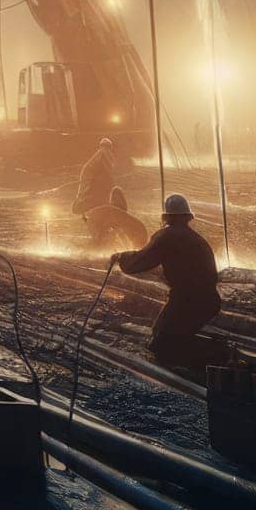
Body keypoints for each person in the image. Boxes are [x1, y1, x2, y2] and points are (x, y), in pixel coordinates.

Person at [112, 192, 221, 368]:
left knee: (161, 341)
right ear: (188, 216)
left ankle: (205, 366)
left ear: (166, 216)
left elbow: (141, 261)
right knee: (178, 336)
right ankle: (208, 363)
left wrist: (121, 257)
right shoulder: (196, 238)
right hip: (209, 300)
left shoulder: (166, 236)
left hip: (187, 299)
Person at [85, 186, 148, 252]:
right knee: (104, 236)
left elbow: (120, 234)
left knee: (104, 236)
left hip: (96, 218)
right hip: (97, 219)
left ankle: (95, 246)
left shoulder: (114, 214)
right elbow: (120, 234)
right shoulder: (115, 214)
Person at [71, 136, 116, 221]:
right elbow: (88, 172)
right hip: (94, 185)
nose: (105, 149)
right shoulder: (100, 157)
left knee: (101, 201)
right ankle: (89, 215)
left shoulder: (106, 157)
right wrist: (91, 180)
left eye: (107, 147)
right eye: (104, 147)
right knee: (92, 200)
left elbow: (108, 172)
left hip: (101, 186)